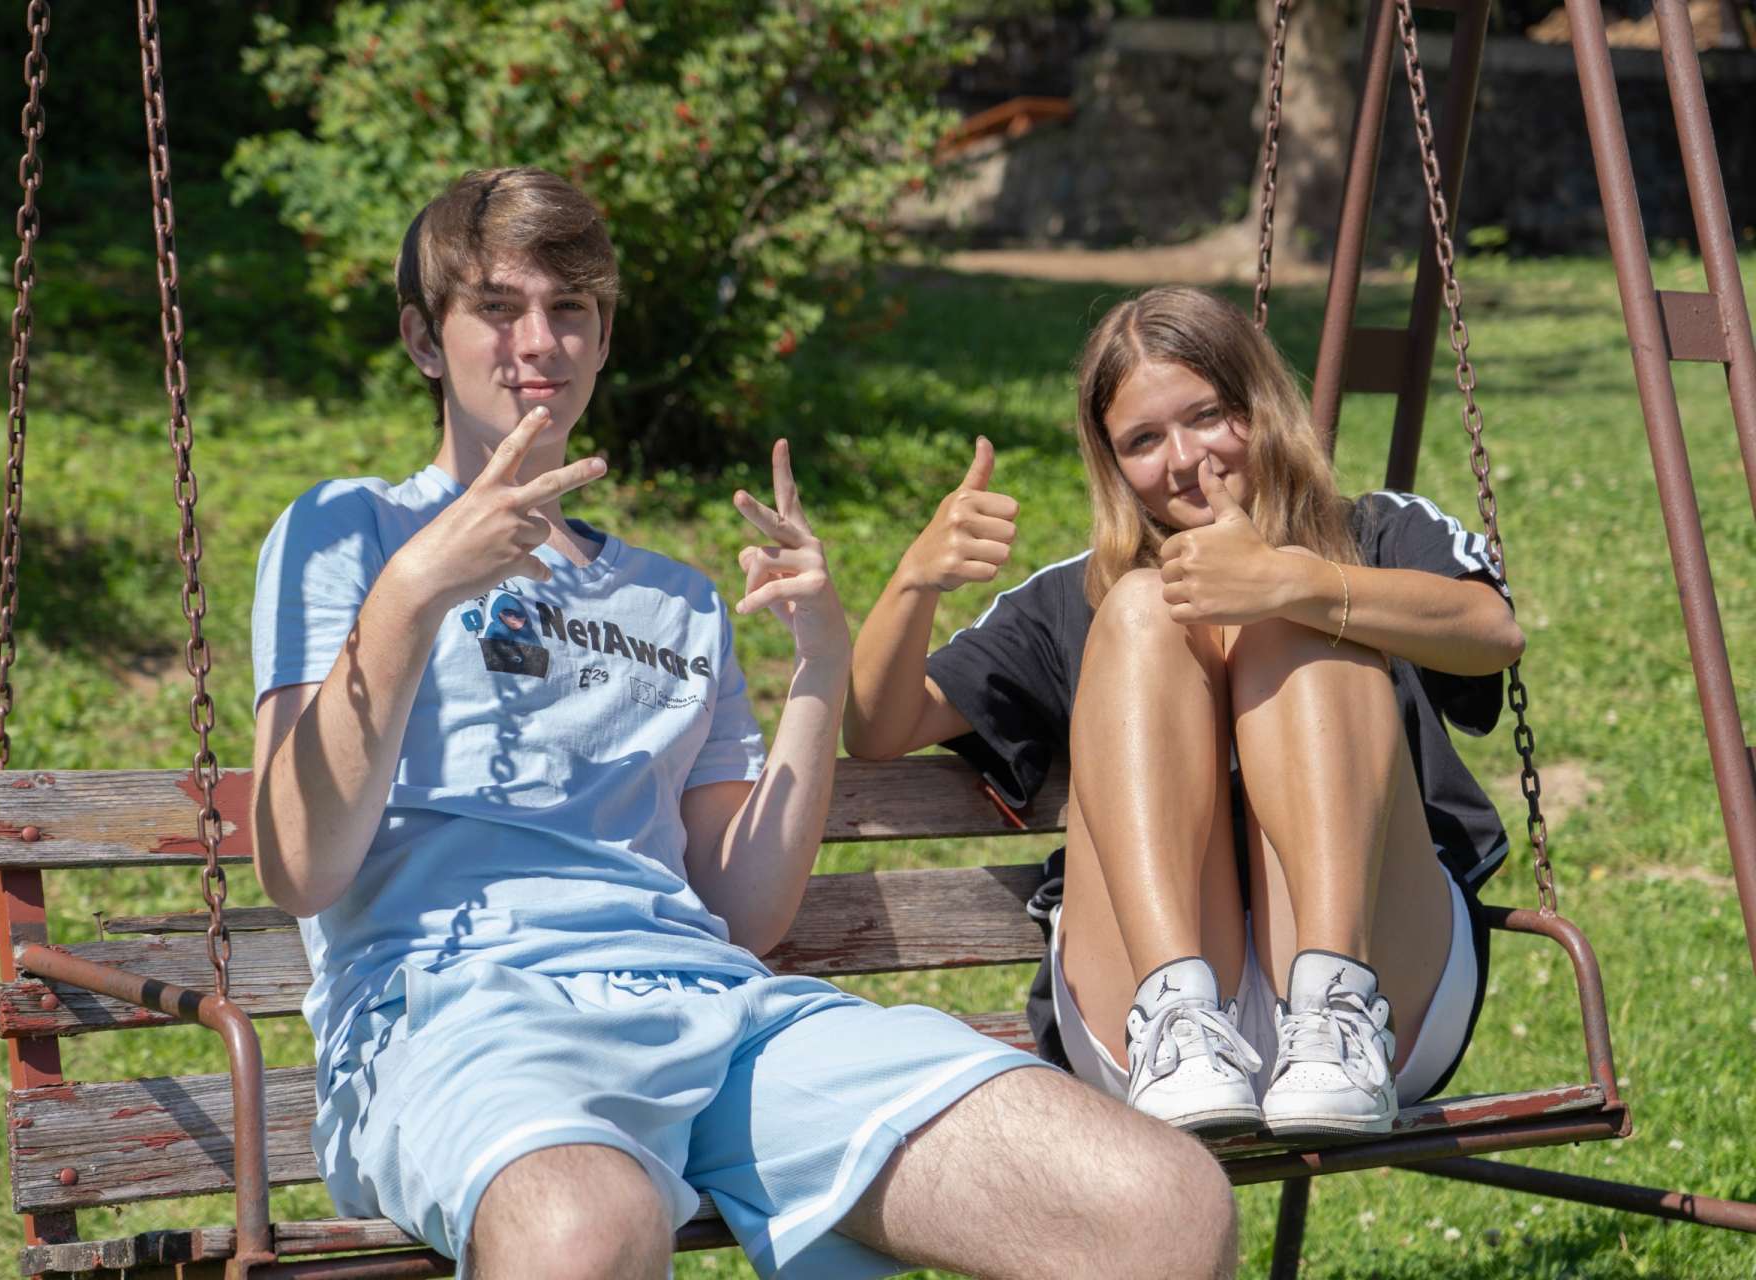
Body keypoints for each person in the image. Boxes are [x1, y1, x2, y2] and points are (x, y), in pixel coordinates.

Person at [249, 169, 1236, 1280]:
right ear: (424, 341)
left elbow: (745, 910)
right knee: (584, 1225)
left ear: (603, 338)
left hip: (710, 1011)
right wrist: (415, 589)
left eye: (570, 308)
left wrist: (820, 665)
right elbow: (298, 864)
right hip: (458, 1018)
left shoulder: (676, 600)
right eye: (496, 307)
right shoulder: (352, 532)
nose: (538, 341)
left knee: (1161, 1204)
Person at [847, 286, 1522, 1140]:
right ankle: (1178, 1016)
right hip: (1144, 1020)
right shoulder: (1075, 597)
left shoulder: (1373, 532)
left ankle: (1334, 1008)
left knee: (1291, 619)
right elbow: (878, 727)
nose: (1181, 459)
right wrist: (914, 582)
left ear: (1260, 403)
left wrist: (1296, 583)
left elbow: (1491, 633)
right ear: (1112, 462)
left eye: (1206, 417)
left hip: (1387, 996)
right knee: (1144, 605)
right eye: (1142, 440)